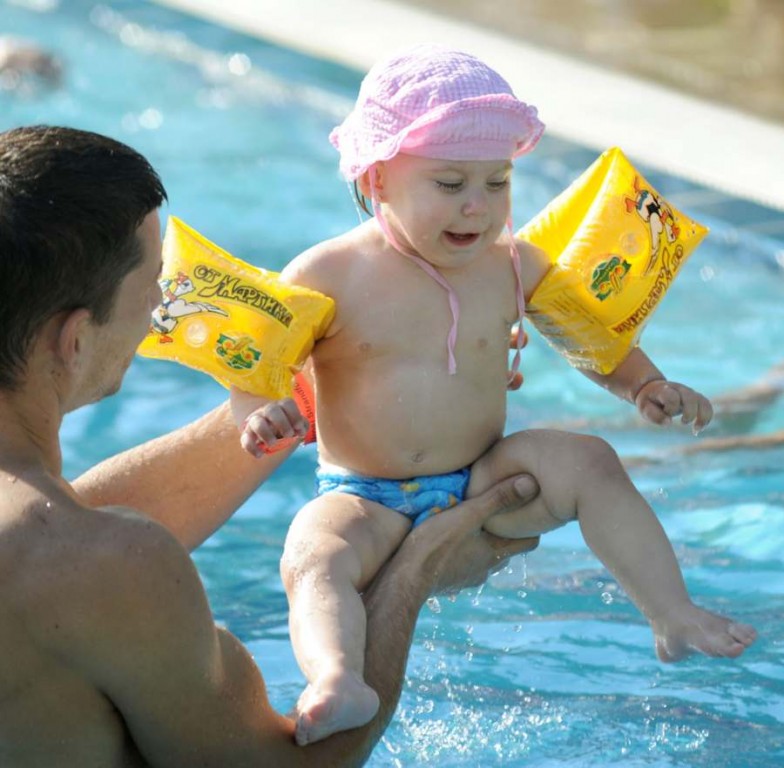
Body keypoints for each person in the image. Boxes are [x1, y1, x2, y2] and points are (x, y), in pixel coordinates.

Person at [230, 45, 758, 746]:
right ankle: (336, 677)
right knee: (311, 554)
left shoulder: (511, 264)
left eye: (498, 182)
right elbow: (253, 361)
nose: (477, 206)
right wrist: (255, 411)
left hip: (483, 474)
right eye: (449, 184)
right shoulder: (330, 273)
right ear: (378, 178)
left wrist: (645, 383)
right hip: (364, 495)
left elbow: (591, 339)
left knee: (589, 459)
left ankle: (670, 610)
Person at [0, 124, 543, 767]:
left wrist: (336, 378)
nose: (163, 304)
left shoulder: (60, 551)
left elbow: (57, 531)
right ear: (75, 340)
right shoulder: (112, 568)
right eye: (152, 285)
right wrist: (415, 566)